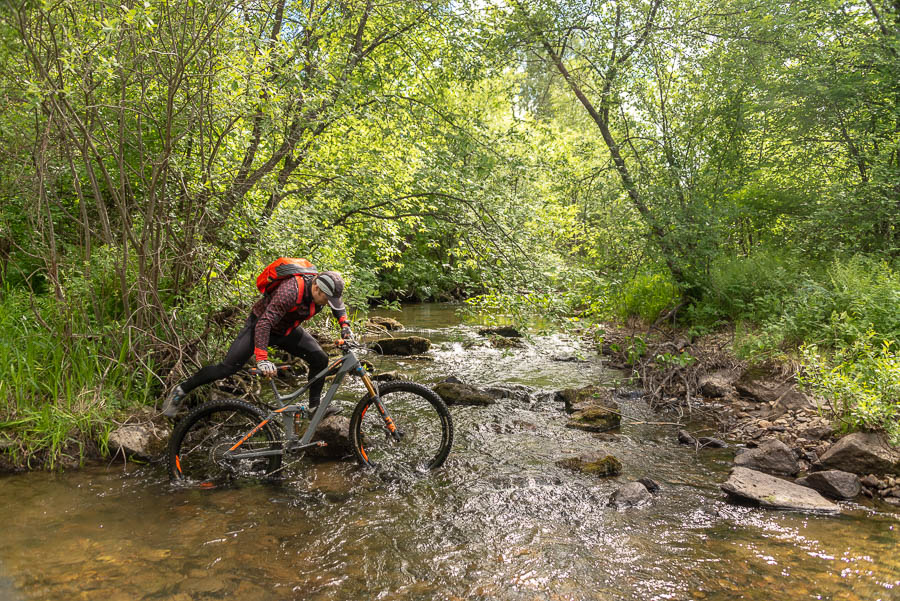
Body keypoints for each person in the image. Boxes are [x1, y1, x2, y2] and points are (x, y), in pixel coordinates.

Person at [161, 268, 353, 418]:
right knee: (227, 368)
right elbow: (265, 323)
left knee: (320, 358)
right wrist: (262, 359)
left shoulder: (326, 289)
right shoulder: (291, 291)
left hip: (286, 330)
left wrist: (345, 326)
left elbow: (339, 307)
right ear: (317, 288)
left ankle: (314, 408)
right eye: (326, 300)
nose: (327, 304)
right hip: (259, 326)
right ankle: (181, 390)